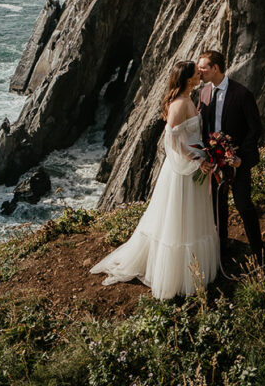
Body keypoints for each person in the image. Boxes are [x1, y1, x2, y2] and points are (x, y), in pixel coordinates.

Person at [90, 60, 219, 299]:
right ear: (187, 78)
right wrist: (196, 160)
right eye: (194, 73)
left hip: (192, 164)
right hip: (183, 169)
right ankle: (178, 276)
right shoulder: (180, 104)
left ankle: (190, 270)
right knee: (180, 220)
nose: (198, 75)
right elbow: (171, 141)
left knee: (189, 218)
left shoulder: (188, 98)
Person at [197, 50, 263, 264]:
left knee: (244, 204)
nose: (199, 72)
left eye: (203, 68)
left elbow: (256, 129)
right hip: (214, 161)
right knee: (218, 205)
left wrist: (240, 157)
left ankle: (258, 251)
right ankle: (222, 248)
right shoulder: (204, 93)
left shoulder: (241, 93)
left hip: (237, 161)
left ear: (215, 68)